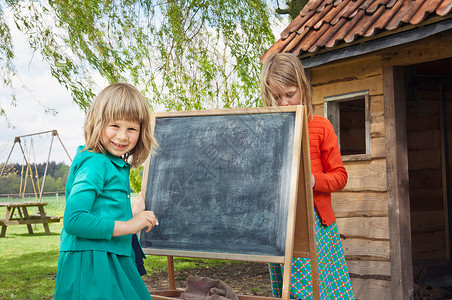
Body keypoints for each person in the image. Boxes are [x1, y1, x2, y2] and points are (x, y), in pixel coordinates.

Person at [261, 52, 355, 299]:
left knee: (325, 289)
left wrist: (313, 181)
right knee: (291, 291)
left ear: (303, 87)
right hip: (281, 224)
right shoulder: (267, 129)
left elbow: (340, 176)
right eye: (276, 96)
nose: (283, 103)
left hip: (317, 225)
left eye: (289, 94)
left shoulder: (321, 127)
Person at [54, 83, 159, 299]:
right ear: (97, 123)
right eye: (114, 125)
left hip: (109, 257)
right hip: (93, 264)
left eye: (132, 129)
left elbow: (101, 210)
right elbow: (74, 219)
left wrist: (131, 212)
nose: (122, 136)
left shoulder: (111, 164)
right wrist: (130, 225)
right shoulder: (95, 162)